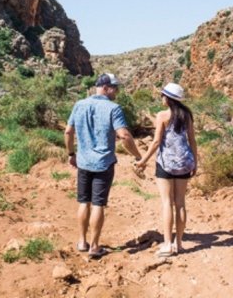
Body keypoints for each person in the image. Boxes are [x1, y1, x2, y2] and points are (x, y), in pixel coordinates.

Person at [65, 73, 142, 259]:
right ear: (106, 88)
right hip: (103, 163)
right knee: (98, 204)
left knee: (84, 201)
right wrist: (138, 156)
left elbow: (68, 131)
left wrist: (71, 154)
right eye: (115, 88)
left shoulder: (79, 105)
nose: (117, 92)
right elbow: (124, 136)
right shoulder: (113, 108)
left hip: (83, 162)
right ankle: (94, 246)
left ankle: (82, 241)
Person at [135, 83, 198, 257]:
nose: (161, 98)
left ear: (168, 98)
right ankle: (179, 244)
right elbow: (192, 140)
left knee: (166, 204)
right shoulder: (187, 115)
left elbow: (156, 142)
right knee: (181, 204)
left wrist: (142, 161)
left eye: (163, 95)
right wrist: (195, 163)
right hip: (184, 163)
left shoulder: (162, 115)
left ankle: (167, 244)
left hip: (165, 164)